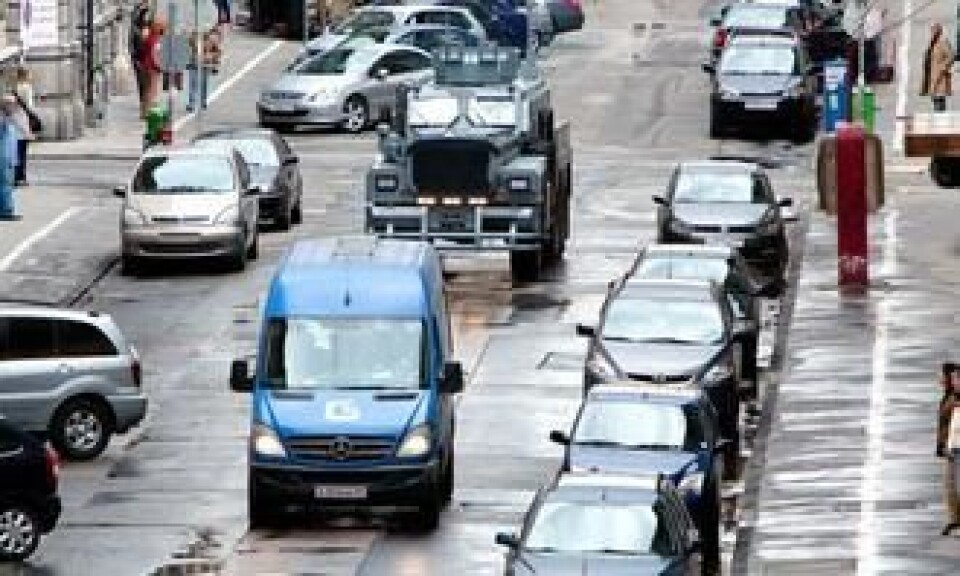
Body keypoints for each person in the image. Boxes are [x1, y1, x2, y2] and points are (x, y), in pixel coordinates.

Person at [938, 362, 960, 536]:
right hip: (952, 447)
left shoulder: (955, 399)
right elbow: (945, 425)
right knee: (950, 486)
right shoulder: (949, 396)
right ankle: (955, 519)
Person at [921, 23, 954, 112]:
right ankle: (938, 119)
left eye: (935, 30)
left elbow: (951, 56)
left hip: (940, 77)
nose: (932, 32)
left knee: (939, 101)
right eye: (932, 30)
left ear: (939, 32)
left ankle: (940, 120)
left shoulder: (943, 42)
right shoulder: (932, 43)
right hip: (931, 77)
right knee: (935, 100)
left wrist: (943, 68)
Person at [13, 68, 37, 186]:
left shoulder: (14, 88)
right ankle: (21, 177)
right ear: (25, 75)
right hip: (24, 121)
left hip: (14, 122)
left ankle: (16, 176)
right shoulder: (27, 88)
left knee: (16, 151)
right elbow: (30, 106)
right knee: (22, 151)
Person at [129, 0, 152, 118]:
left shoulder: (148, 12)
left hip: (145, 56)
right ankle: (144, 107)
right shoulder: (137, 10)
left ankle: (145, 108)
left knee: (146, 84)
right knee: (142, 83)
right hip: (139, 55)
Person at [0, 99, 20, 220]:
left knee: (7, 184)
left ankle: (5, 209)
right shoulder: (3, 121)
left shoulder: (9, 121)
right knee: (5, 185)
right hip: (3, 158)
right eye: (11, 105)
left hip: (9, 157)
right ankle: (6, 211)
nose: (14, 107)